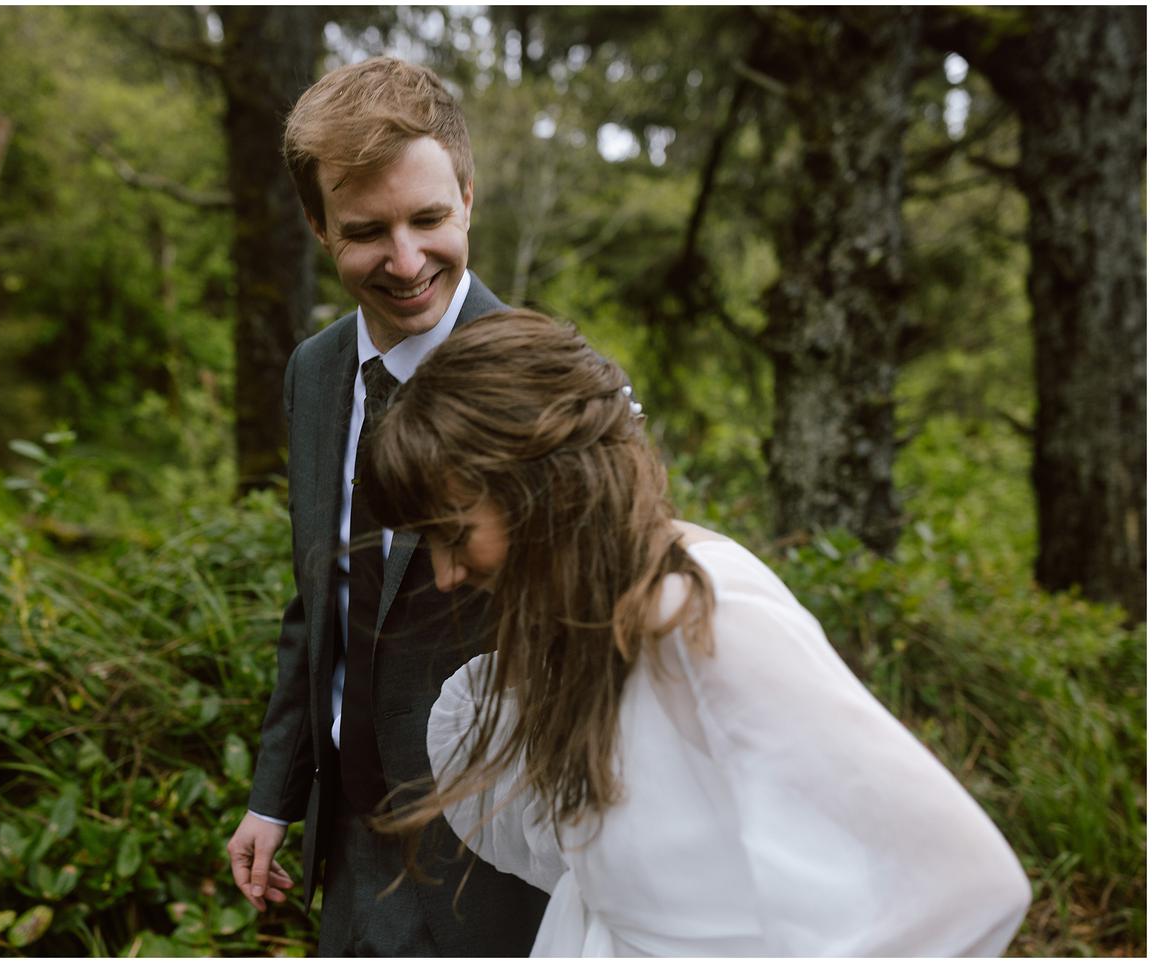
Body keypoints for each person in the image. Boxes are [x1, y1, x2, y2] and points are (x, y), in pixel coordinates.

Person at [361, 309, 1033, 957]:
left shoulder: (708, 620)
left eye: (455, 534)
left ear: (546, 487)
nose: (445, 575)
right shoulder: (590, 620)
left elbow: (967, 884)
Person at [223, 58, 548, 955]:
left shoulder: (546, 384)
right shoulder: (315, 371)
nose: (406, 263)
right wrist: (274, 797)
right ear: (319, 227)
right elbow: (317, 599)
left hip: (496, 856)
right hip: (349, 840)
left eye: (429, 219)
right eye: (367, 231)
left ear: (468, 199)